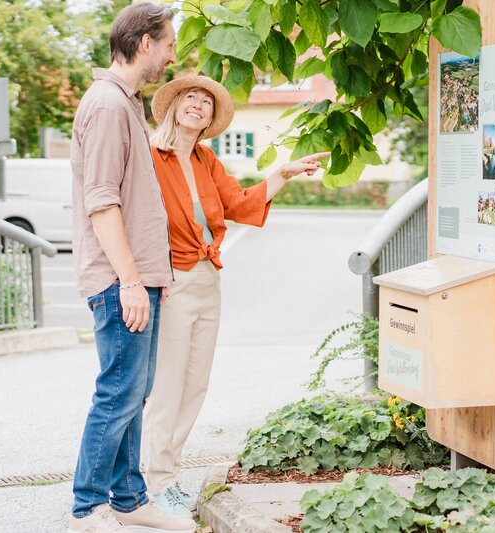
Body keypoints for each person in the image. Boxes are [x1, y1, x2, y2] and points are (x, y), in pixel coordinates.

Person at [141, 74, 328, 517]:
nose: (198, 105)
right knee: (167, 387)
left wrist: (282, 173)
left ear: (209, 120)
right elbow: (138, 219)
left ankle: (168, 477)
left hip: (208, 278)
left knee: (194, 385)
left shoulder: (206, 161)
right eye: (191, 97)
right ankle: (154, 483)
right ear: (173, 106)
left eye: (206, 102)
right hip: (171, 280)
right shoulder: (150, 156)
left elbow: (240, 203)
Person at [68, 3, 195, 532]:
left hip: (141, 279)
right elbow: (101, 202)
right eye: (168, 45)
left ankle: (128, 499)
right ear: (145, 43)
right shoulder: (106, 104)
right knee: (118, 391)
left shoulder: (127, 104)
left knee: (135, 392)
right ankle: (88, 507)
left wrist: (151, 277)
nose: (171, 56)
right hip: (122, 281)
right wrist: (131, 281)